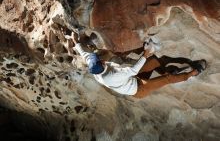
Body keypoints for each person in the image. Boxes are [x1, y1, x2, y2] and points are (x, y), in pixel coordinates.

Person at [72, 33, 207, 98]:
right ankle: (193, 73)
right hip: (139, 89)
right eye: (100, 59)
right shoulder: (111, 76)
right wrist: (145, 53)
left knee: (154, 61)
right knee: (168, 79)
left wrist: (76, 43)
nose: (100, 58)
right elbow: (133, 69)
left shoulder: (95, 69)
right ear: (101, 64)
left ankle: (169, 70)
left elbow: (86, 55)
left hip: (133, 79)